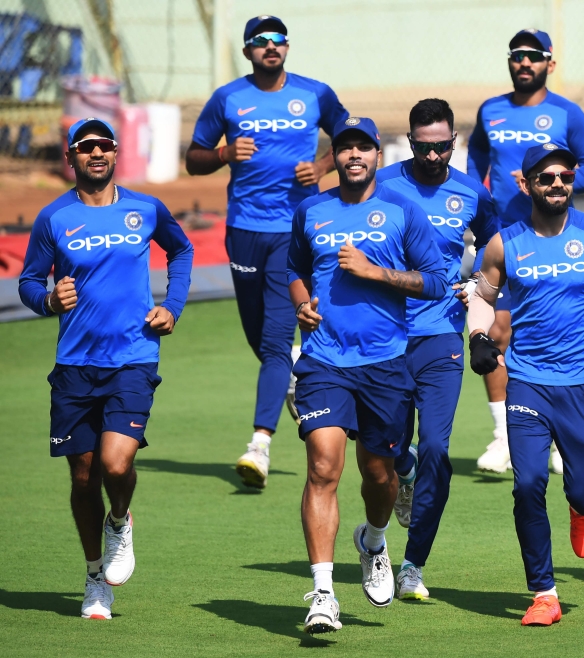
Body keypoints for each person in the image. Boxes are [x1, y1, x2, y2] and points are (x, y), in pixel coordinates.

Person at [18, 118, 193, 619]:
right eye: (86, 147)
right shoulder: (54, 218)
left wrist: (173, 305)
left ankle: (120, 519)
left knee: (116, 464)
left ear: (116, 154)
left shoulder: (145, 208)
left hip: (133, 359)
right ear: (71, 158)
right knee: (82, 477)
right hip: (74, 365)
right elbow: (28, 282)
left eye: (104, 146)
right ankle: (96, 578)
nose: (97, 153)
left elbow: (181, 249)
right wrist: (49, 299)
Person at [467, 143, 584, 626]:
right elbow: (482, 296)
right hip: (526, 382)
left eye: (564, 176)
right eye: (545, 178)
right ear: (525, 184)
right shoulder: (506, 242)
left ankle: (583, 508)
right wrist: (479, 335)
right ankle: (544, 592)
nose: (557, 185)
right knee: (527, 484)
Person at [286, 117, 448, 633]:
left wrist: (376, 272)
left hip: (385, 364)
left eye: (363, 147)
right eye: (344, 148)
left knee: (380, 475)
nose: (353, 155)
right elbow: (294, 269)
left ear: (378, 154)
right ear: (333, 156)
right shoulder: (311, 210)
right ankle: (323, 593)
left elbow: (438, 282)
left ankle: (374, 540)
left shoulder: (403, 211)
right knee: (323, 467)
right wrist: (301, 305)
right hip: (324, 360)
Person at [186, 14, 348, 489]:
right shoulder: (228, 98)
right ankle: (294, 381)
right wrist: (221, 155)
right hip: (242, 231)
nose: (270, 47)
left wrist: (321, 166)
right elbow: (193, 158)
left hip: (293, 229)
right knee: (259, 337)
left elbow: (354, 134)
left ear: (288, 47)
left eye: (277, 40)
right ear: (247, 52)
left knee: (277, 340)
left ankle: (259, 443)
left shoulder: (314, 93)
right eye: (260, 41)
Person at [467, 28, 584, 474]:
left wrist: (548, 183)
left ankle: (553, 437)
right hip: (503, 240)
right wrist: (476, 208)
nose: (524, 63)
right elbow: (474, 165)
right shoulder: (490, 110)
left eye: (533, 56)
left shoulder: (568, 112)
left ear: (550, 62)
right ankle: (505, 434)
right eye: (517, 56)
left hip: (552, 242)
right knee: (496, 332)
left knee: (542, 333)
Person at [376, 99, 499, 600]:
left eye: (441, 147)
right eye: (422, 146)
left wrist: (480, 288)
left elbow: (496, 253)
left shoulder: (472, 192)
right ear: (410, 142)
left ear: (454, 143)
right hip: (383, 336)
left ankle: (412, 565)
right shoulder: (381, 186)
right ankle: (401, 472)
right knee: (383, 450)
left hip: (441, 335)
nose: (431, 155)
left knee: (438, 449)